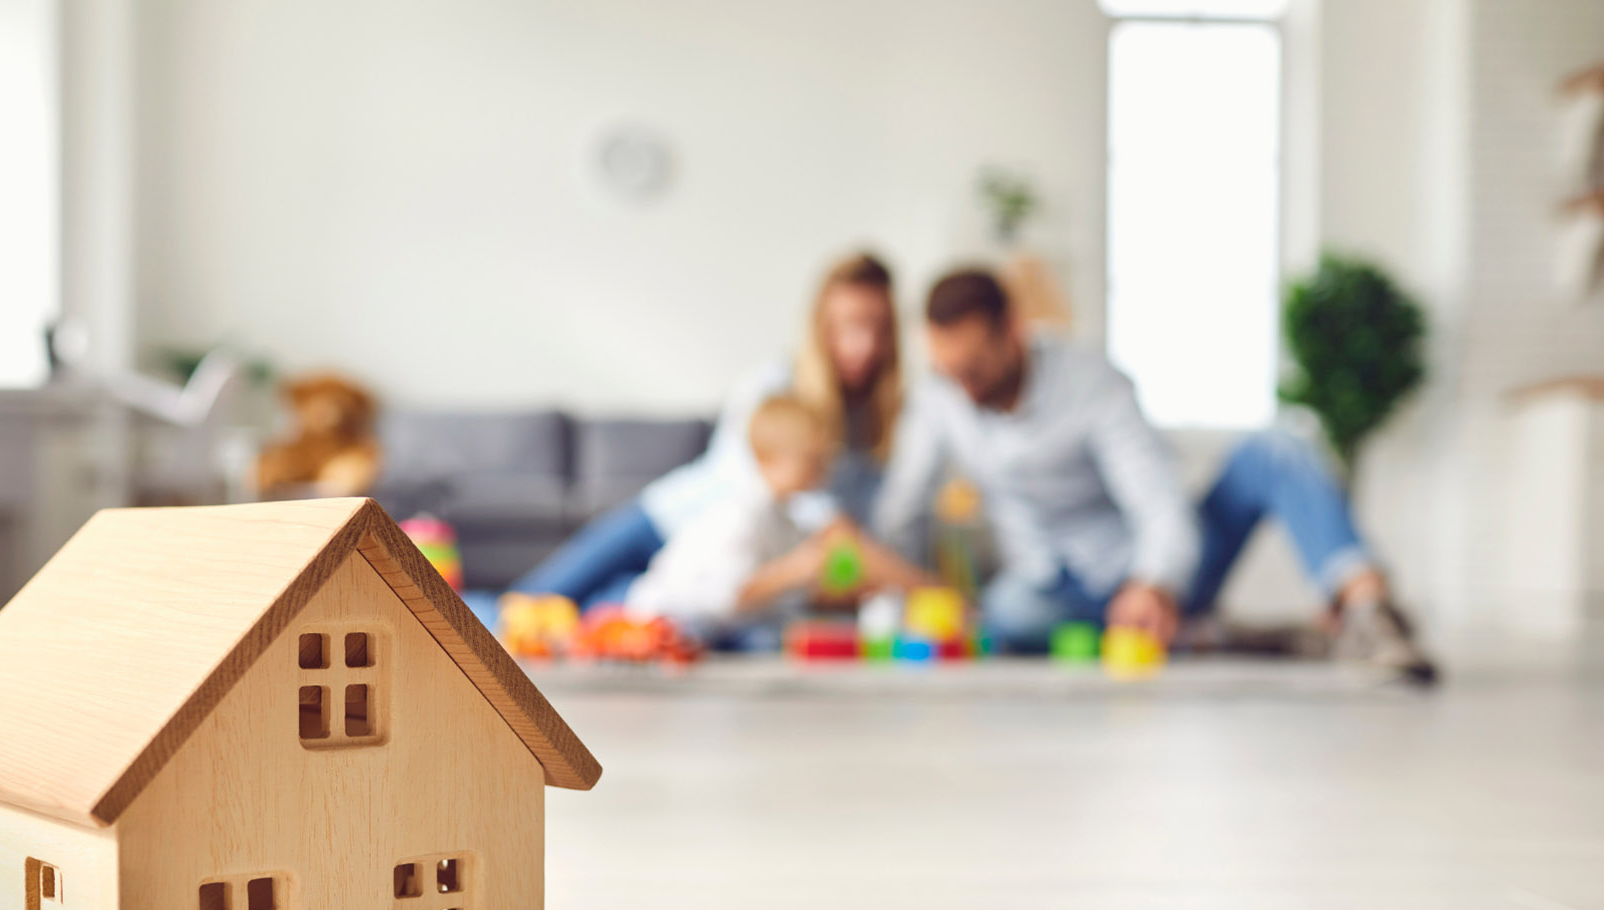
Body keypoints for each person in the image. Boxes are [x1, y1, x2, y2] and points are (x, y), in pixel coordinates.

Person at [875, 268, 1437, 682]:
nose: (963, 389)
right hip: (1052, 588)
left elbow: (1156, 496)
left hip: (1153, 570)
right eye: (948, 373)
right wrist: (896, 598)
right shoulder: (940, 399)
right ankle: (1206, 636)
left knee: (1278, 447)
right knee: (1009, 615)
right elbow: (904, 509)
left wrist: (1154, 581)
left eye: (974, 371)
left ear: (1014, 331)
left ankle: (1369, 613)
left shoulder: (1091, 384)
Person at [510, 251, 905, 608]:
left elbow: (857, 531)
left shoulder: (876, 421)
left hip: (709, 577)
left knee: (586, 622)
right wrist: (914, 581)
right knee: (527, 604)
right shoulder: (773, 384)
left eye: (879, 328)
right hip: (666, 522)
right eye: (851, 325)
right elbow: (797, 503)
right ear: (821, 326)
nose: (865, 344)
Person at [626, 396, 932, 648]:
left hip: (721, 627)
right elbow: (730, 595)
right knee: (768, 642)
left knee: (791, 632)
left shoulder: (786, 518)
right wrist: (794, 570)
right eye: (811, 460)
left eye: (824, 459)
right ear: (768, 458)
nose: (823, 470)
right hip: (664, 620)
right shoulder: (741, 516)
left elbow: (793, 593)